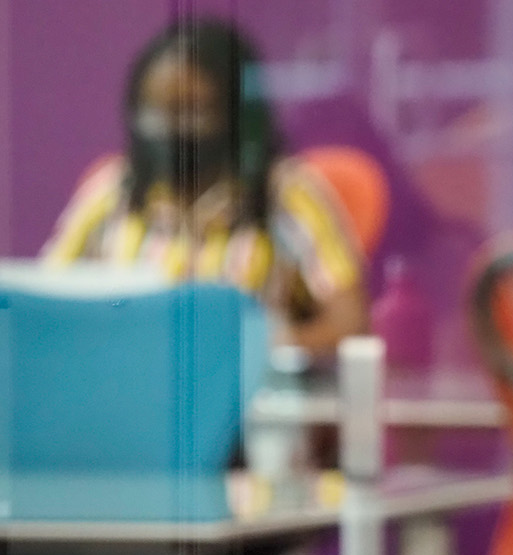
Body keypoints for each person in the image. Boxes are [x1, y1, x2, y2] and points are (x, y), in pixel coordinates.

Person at [42, 17, 368, 355]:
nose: (170, 127)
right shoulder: (113, 191)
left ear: (236, 113)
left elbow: (349, 324)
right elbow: (43, 304)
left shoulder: (284, 194)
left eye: (192, 110)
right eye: (154, 111)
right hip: (129, 388)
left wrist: (255, 354)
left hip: (251, 395)